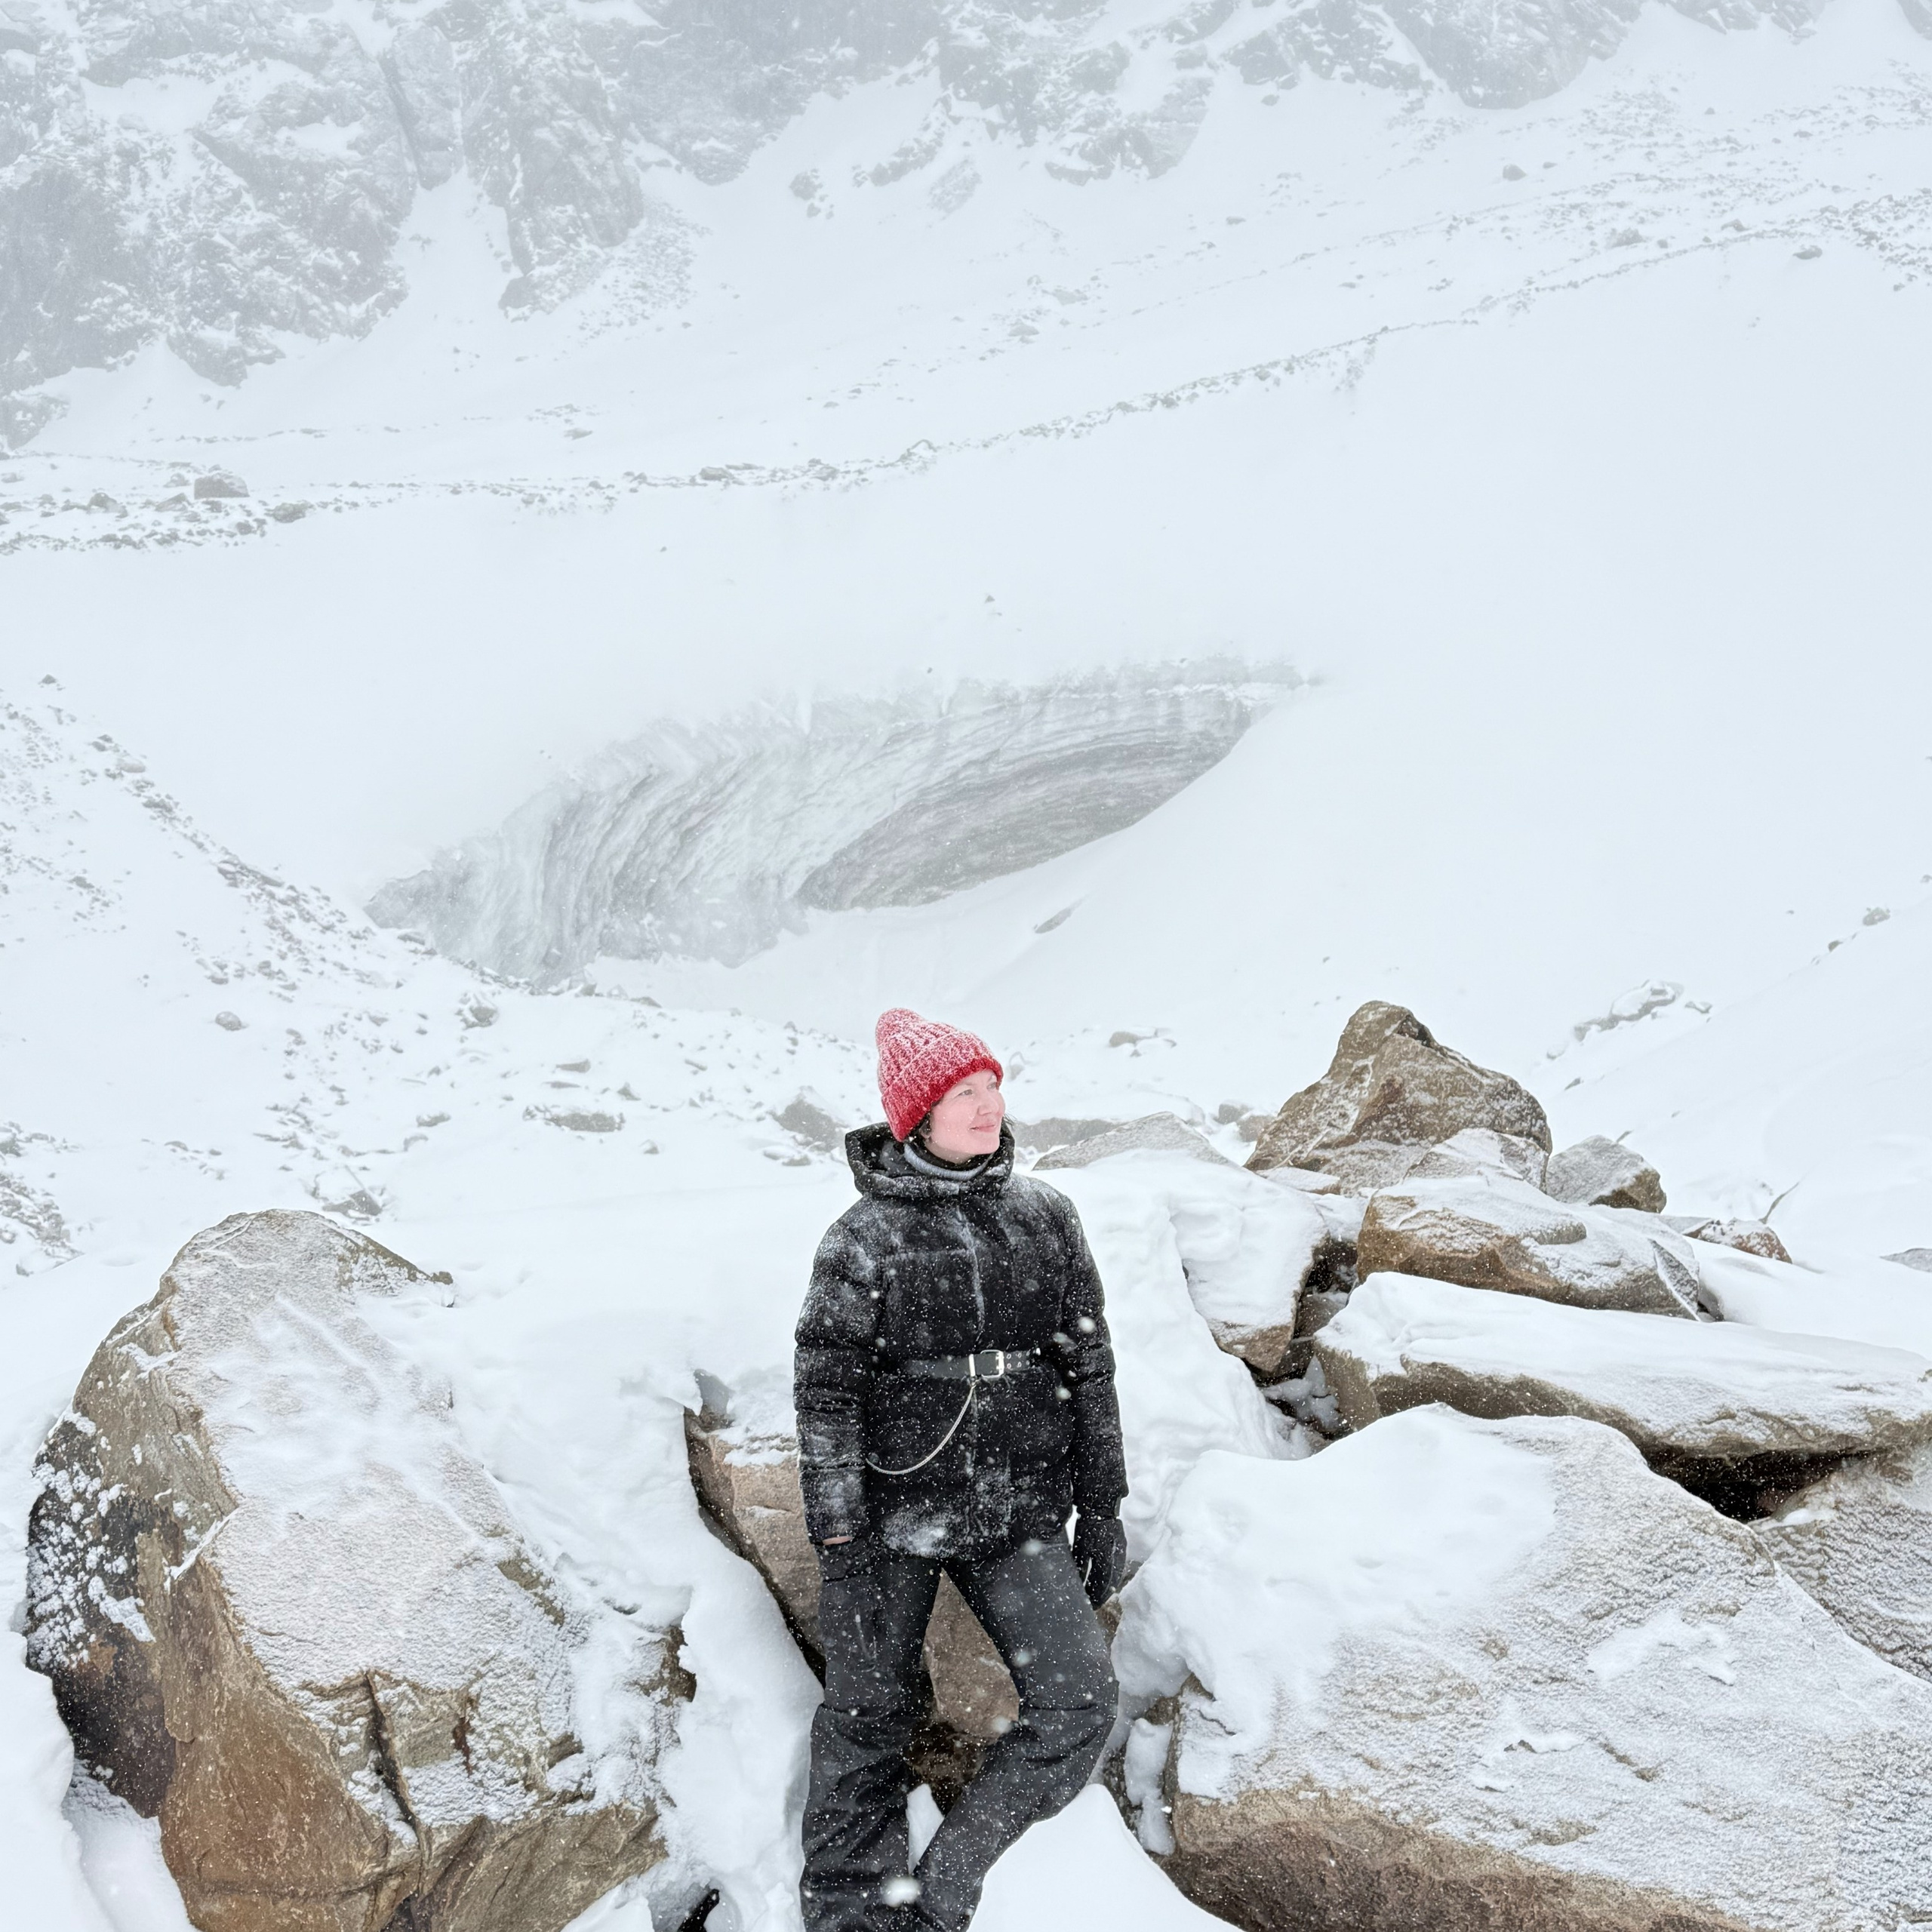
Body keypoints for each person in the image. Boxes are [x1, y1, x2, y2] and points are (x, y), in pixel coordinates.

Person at [794, 1008, 1129, 1932]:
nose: (987, 1111)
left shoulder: (1046, 1217)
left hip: (1017, 1510)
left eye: (991, 1090)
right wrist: (835, 1525)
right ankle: (851, 1919)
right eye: (962, 1096)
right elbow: (825, 1389)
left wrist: (1101, 1505)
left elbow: (1088, 1365)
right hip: (887, 1516)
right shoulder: (861, 1237)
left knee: (1078, 1702)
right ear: (917, 1117)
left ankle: (939, 1896)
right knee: (867, 1718)